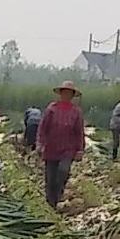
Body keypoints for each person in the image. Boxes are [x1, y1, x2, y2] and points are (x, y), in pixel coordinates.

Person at [36, 81, 86, 209]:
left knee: (63, 171)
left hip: (68, 149)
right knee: (50, 178)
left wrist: (80, 149)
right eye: (65, 92)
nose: (66, 95)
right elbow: (43, 128)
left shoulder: (76, 112)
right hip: (51, 148)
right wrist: (40, 143)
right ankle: (50, 203)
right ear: (61, 94)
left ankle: (58, 195)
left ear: (72, 95)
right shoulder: (52, 109)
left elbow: (79, 131)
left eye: (69, 93)